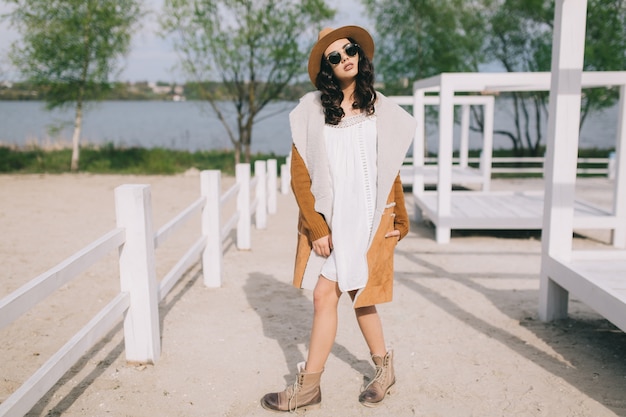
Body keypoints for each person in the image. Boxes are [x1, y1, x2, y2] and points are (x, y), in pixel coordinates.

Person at [260, 25, 416, 412]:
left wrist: (401, 214)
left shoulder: (381, 109)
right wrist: (316, 226)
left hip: (371, 216)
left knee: (360, 296)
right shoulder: (310, 111)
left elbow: (389, 169)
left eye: (350, 49)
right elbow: (300, 175)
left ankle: (365, 372)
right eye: (334, 55)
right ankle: (339, 378)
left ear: (360, 54)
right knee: (327, 293)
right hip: (335, 216)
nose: (346, 57)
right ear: (326, 68)